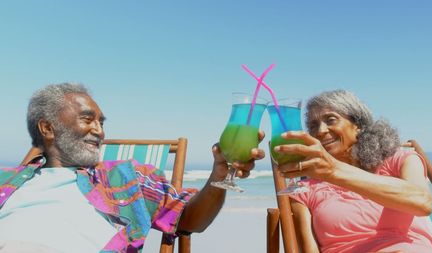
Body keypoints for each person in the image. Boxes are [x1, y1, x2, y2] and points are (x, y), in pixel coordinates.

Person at [0, 83, 265, 252]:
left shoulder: (127, 178)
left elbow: (189, 219)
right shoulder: (7, 179)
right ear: (47, 128)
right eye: (87, 119)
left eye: (102, 123)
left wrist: (219, 175)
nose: (100, 131)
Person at [274, 89, 432, 253]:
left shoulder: (399, 160)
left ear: (358, 126)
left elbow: (422, 202)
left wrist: (334, 171)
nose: (320, 131)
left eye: (331, 120)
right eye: (313, 126)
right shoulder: (305, 191)